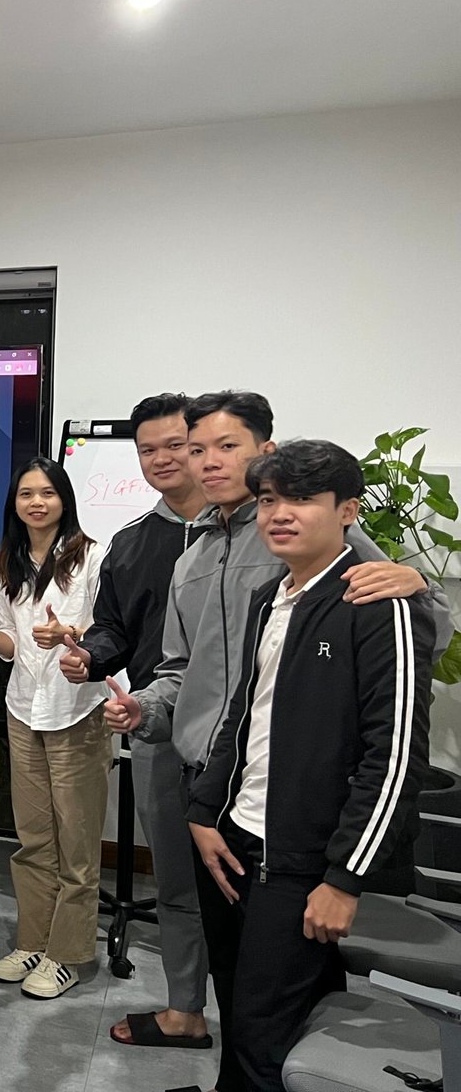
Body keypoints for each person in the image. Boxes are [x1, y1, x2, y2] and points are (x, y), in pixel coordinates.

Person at [104, 390, 445, 1092]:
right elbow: (203, 684)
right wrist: (161, 735)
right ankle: (206, 1039)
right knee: (236, 976)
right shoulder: (204, 564)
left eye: (224, 447)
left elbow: (397, 722)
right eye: (196, 449)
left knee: (271, 1006)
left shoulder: (338, 566)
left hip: (298, 822)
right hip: (217, 791)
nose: (204, 461)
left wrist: (415, 582)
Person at [185, 440, 431, 1092]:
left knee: (262, 1032)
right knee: (244, 1006)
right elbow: (244, 714)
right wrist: (206, 810)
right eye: (269, 500)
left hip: (302, 859)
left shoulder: (379, 605)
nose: (280, 514)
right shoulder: (271, 597)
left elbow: (394, 756)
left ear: (347, 509)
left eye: (301, 499)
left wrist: (345, 877)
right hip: (237, 839)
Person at [58, 393, 215, 1048]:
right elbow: (116, 630)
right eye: (147, 450)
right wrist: (89, 657)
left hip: (250, 743)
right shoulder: (131, 543)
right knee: (176, 881)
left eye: (175, 445)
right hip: (160, 730)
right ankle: (186, 1009)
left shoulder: (257, 526)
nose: (161, 459)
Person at [0, 456, 107, 1001]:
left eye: (47, 492)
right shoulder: (7, 563)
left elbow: (110, 630)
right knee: (33, 837)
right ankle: (33, 942)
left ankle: (67, 953)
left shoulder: (91, 556)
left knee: (76, 842)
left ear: (63, 499)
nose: (37, 503)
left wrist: (72, 633)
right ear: (14, 503)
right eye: (26, 494)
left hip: (76, 710)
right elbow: (12, 642)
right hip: (23, 709)